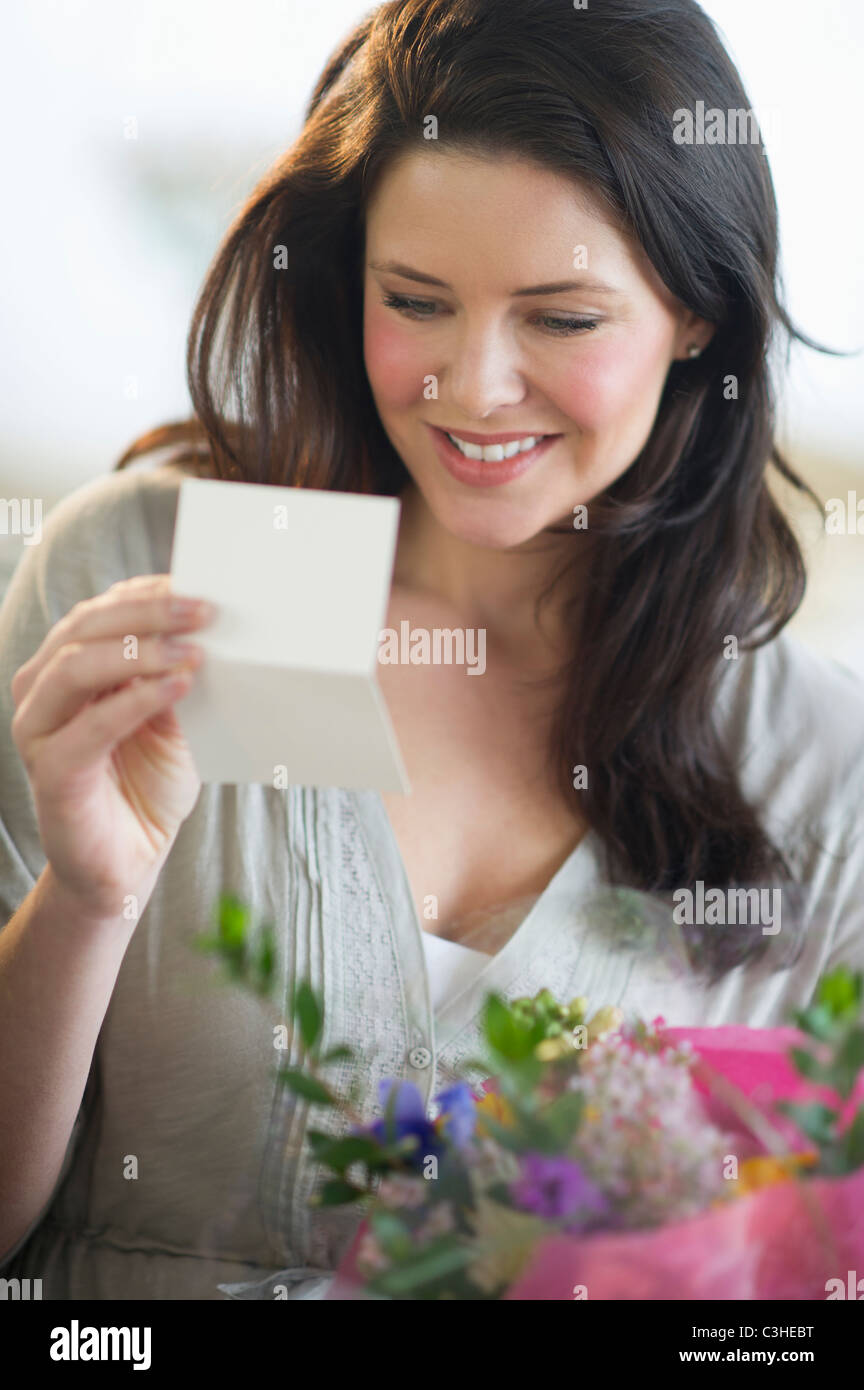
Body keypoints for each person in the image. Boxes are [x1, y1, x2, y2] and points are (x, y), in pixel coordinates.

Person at [1, 0, 863, 1301]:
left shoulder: (814, 763)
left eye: (561, 319)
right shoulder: (195, 582)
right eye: (416, 301)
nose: (471, 387)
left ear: (698, 316)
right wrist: (89, 899)